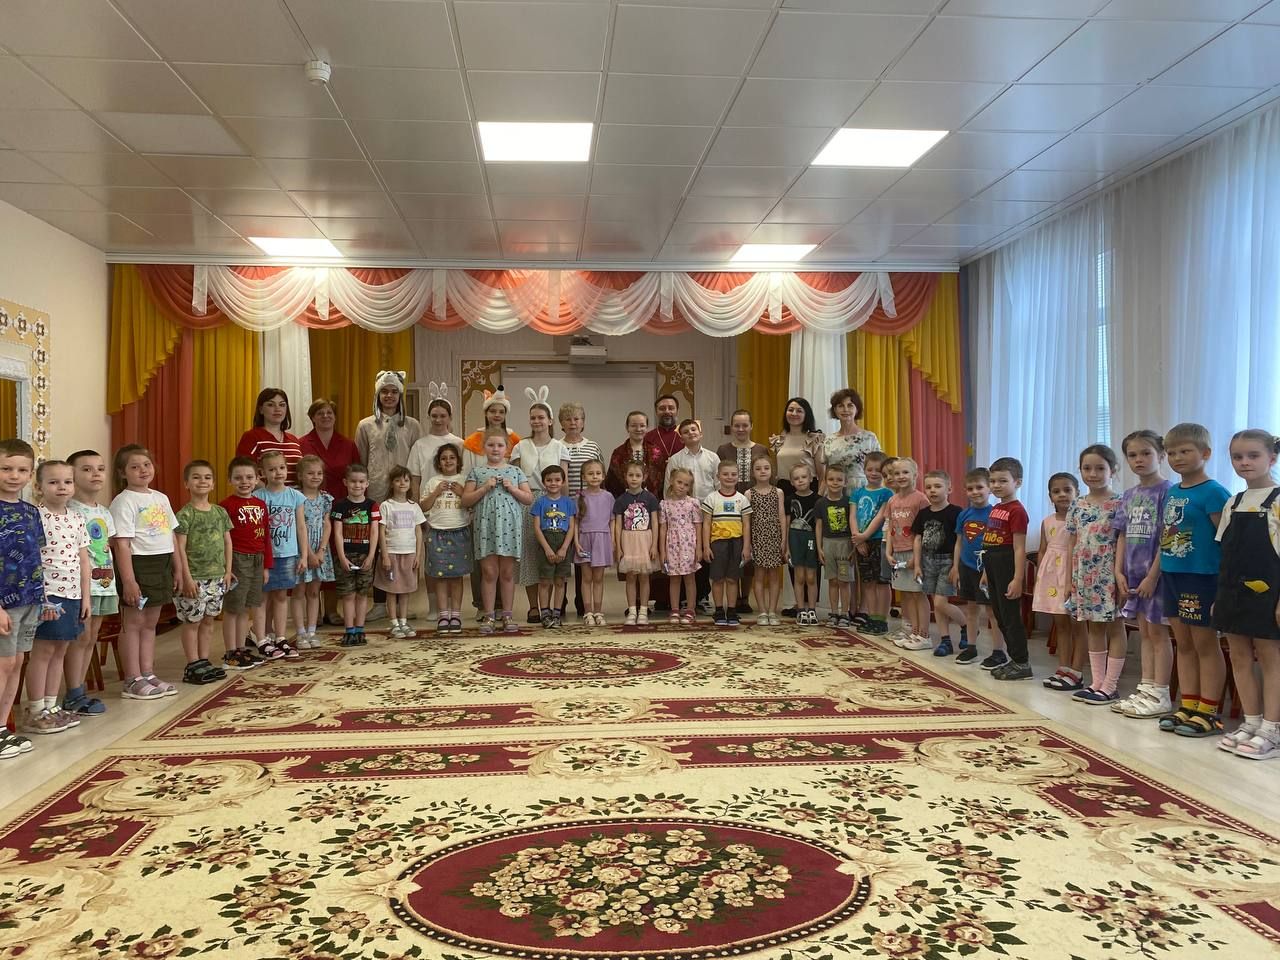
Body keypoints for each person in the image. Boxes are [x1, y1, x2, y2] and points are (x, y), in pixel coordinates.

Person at [1157, 422, 1231, 737]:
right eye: (1172, 452)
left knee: (1205, 644)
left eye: (1185, 451)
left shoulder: (1214, 492)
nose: (1177, 458)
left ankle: (1209, 711)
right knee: (1183, 643)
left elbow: (1226, 539)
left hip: (1201, 578)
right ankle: (1188, 704)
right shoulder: (1173, 491)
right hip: (1173, 575)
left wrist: (1224, 586)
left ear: (1205, 453)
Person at [1213, 429, 1280, 759]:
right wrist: (1219, 597)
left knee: (1270, 658)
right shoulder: (1233, 502)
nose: (1244, 462)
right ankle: (1251, 722)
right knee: (1239, 656)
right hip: (1232, 591)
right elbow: (1226, 553)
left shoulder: (1277, 501)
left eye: (1253, 455)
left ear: (1272, 458)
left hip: (1269, 593)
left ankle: (1272, 729)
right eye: (1237, 457)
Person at [109, 444, 181, 700]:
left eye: (146, 465)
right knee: (133, 623)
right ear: (122, 473)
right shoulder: (124, 501)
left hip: (161, 564)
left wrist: (178, 569)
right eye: (134, 466)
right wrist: (129, 581)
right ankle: (132, 678)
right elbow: (122, 544)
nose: (142, 470)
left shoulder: (161, 498)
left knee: (151, 623)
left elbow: (171, 536)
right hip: (138, 565)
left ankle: (147, 673)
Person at [1111, 429, 1174, 719]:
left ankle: (1161, 692)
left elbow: (1167, 536)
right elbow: (1123, 534)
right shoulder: (1129, 495)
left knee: (1158, 633)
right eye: (1133, 455)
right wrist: (1118, 571)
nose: (1139, 459)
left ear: (1161, 455)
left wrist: (1152, 576)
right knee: (1144, 632)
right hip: (1133, 575)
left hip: (1156, 575)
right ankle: (1146, 688)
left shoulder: (1168, 492)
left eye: (1146, 453)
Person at [25, 460, 89, 736]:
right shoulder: (35, 517)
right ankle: (35, 710)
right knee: (43, 651)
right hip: (48, 595)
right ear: (39, 487)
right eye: (53, 482)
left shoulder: (76, 518)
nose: (62, 487)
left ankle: (51, 707)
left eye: (67, 482)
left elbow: (84, 560)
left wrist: (86, 597)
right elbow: (30, 559)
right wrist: (40, 597)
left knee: (61, 649)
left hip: (72, 593)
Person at [356, 371, 423, 624]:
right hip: (375, 490)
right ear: (377, 394)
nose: (389, 396)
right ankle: (379, 603)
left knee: (403, 546)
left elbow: (416, 463)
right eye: (384, 391)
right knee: (379, 544)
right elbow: (361, 460)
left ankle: (402, 598)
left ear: (400, 395)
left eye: (394, 391)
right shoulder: (365, 425)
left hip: (403, 493)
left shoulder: (412, 425)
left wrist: (414, 494)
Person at [1065, 445, 1127, 705]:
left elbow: (1123, 539)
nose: (1093, 473)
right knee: (1093, 626)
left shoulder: (1120, 502)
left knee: (1115, 625)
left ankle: (1110, 686)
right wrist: (1069, 579)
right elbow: (1072, 541)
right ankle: (1096, 682)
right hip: (1084, 574)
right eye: (1087, 468)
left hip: (1108, 572)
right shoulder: (1077, 504)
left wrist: (1119, 574)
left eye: (1100, 468)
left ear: (1113, 470)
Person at [462, 429, 532, 636]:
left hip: (509, 528)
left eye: (500, 445)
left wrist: (513, 489)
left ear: (507, 449)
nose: (495, 449)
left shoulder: (516, 472)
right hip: (486, 527)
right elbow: (465, 500)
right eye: (491, 445)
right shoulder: (477, 472)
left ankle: (507, 615)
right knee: (489, 572)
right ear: (484, 448)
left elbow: (528, 498)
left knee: (507, 573)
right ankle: (489, 615)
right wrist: (484, 488)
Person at [65, 449, 116, 717]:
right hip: (81, 586)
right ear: (71, 475)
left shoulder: (104, 512)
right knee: (80, 638)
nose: (95, 473)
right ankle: (73, 692)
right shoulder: (69, 510)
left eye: (100, 468)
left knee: (91, 638)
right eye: (86, 469)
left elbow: (106, 548)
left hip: (104, 583)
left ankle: (80, 690)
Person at [0, 438, 43, 760]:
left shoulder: (31, 512)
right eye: (6, 469)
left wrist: (43, 599)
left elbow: (35, 557)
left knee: (16, 663)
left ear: (30, 474)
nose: (14, 476)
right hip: (4, 603)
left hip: (30, 599)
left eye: (21, 470)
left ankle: (3, 727)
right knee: (3, 664)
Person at [512, 389, 569, 623]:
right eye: (533, 418)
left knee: (551, 552)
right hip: (527, 502)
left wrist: (566, 506)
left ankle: (552, 607)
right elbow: (515, 477)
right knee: (530, 555)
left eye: (541, 417)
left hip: (552, 502)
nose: (537, 421)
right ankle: (534, 607)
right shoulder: (520, 446)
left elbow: (564, 479)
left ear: (550, 421)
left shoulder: (559, 447)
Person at [173, 460, 232, 686]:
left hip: (217, 577)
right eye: (196, 477)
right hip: (194, 578)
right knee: (192, 621)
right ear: (186, 483)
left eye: (207, 477)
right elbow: (179, 548)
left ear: (213, 484)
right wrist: (186, 577)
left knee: (208, 620)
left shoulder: (220, 512)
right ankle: (192, 664)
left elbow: (227, 543)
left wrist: (228, 571)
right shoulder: (185, 515)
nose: (202, 481)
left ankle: (204, 660)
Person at [949, 468, 1006, 668]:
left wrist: (989, 571)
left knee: (991, 612)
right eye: (970, 488)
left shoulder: (995, 514)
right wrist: (955, 567)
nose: (975, 492)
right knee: (971, 610)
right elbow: (959, 542)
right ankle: (971, 647)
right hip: (966, 567)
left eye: (979, 487)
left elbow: (997, 544)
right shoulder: (964, 515)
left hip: (987, 570)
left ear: (989, 488)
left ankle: (998, 652)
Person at [220, 456, 273, 668]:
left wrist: (266, 566)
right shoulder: (225, 506)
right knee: (233, 608)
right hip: (237, 559)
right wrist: (226, 567)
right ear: (230, 480)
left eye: (249, 477)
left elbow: (266, 536)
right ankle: (230, 653)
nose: (244, 482)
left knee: (246, 608)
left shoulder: (261, 504)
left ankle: (241, 649)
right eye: (238, 478)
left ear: (257, 478)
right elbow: (221, 541)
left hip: (257, 559)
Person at [1036, 472, 1086, 691]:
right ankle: (1063, 668)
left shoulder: (1081, 519)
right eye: (1056, 491)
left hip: (1073, 575)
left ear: (1077, 493)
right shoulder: (1047, 522)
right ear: (1050, 496)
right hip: (1052, 579)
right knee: (1061, 624)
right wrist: (1040, 577)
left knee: (1077, 625)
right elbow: (1042, 550)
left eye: (1067, 490)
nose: (1062, 495)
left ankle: (1077, 671)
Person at [983, 457, 1032, 681]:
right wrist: (986, 573)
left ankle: (1022, 663)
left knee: (1010, 616)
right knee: (1000, 615)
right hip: (992, 562)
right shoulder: (996, 508)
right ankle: (1014, 659)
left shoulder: (1017, 510)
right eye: (993, 481)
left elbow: (1019, 548)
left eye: (1003, 481)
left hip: (1007, 563)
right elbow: (989, 543)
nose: (996, 485)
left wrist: (1017, 578)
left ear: (1017, 482)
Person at [666, 418, 720, 612]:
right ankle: (683, 600)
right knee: (683, 556)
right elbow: (668, 486)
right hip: (681, 514)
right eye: (686, 431)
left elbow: (718, 485)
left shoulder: (712, 458)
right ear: (681, 437)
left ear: (700, 433)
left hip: (707, 511)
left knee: (703, 553)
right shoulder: (676, 459)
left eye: (693, 429)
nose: (691, 433)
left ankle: (703, 596)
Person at [717, 409, 768, 612]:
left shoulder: (761, 449)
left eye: (744, 425)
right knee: (732, 546)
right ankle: (733, 597)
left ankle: (744, 598)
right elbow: (720, 476)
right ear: (731, 427)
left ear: (751, 426)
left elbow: (767, 477)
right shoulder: (723, 449)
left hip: (755, 504)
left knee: (749, 547)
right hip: (729, 503)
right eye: (737, 425)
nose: (740, 429)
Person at [257, 450, 306, 660]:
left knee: (281, 596)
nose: (278, 472)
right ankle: (262, 638)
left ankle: (280, 637)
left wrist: (304, 555)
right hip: (264, 556)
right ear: (262, 473)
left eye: (282, 468)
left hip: (288, 554)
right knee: (262, 598)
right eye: (272, 469)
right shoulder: (258, 497)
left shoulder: (295, 496)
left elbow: (301, 527)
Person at [912, 470, 966, 657]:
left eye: (937, 486)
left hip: (947, 562)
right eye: (928, 487)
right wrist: (917, 564)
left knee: (940, 602)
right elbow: (918, 539)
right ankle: (945, 640)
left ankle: (966, 626)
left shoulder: (956, 512)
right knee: (937, 604)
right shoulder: (923, 514)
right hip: (928, 562)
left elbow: (960, 541)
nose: (932, 490)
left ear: (949, 489)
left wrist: (956, 566)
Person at [420, 443, 471, 636]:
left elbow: (472, 503)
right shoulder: (432, 482)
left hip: (459, 532)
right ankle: (443, 614)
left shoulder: (464, 480)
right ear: (438, 463)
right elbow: (423, 506)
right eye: (443, 458)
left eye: (452, 457)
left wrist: (462, 493)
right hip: (437, 533)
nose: (448, 461)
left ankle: (455, 614)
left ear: (458, 461)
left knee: (457, 576)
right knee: (440, 576)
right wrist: (436, 492)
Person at [560, 402, 604, 618]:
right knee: (563, 553)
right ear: (561, 423)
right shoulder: (557, 446)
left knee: (582, 556)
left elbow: (600, 474)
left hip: (587, 509)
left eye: (576, 419)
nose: (573, 423)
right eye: (568, 419)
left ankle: (582, 602)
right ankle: (560, 602)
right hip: (564, 506)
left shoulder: (592, 446)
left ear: (583, 422)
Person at [331, 464, 381, 648]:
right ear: (346, 482)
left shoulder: (372, 505)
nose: (357, 485)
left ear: (367, 483)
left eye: (361, 482)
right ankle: (349, 631)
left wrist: (371, 556)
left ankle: (360, 630)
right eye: (353, 481)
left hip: (365, 555)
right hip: (345, 556)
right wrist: (342, 557)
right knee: (348, 594)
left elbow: (374, 531)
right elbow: (337, 533)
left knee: (362, 594)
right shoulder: (339, 506)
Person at [375, 465, 425, 640]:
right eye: (398, 480)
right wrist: (384, 555)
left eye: (406, 480)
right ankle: (394, 623)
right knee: (392, 590)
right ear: (391, 483)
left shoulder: (414, 506)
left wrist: (418, 555)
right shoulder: (386, 506)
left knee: (405, 589)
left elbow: (418, 531)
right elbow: (381, 531)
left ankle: (403, 621)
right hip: (392, 553)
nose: (402, 483)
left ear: (410, 483)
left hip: (409, 553)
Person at [884, 458, 930, 647]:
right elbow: (890, 527)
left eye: (905, 472)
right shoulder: (892, 500)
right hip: (898, 553)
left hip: (915, 552)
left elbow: (926, 530)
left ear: (915, 475)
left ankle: (924, 635)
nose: (901, 476)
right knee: (907, 593)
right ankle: (912, 631)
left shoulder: (920, 499)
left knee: (918, 593)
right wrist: (888, 552)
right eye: (897, 473)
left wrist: (917, 559)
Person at [702, 460, 752, 627]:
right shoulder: (712, 498)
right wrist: (706, 546)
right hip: (717, 543)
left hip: (737, 543)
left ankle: (731, 610)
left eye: (733, 474)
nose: (729, 477)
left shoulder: (742, 499)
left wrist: (746, 546)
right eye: (725, 474)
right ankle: (718, 610)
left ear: (738, 476)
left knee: (732, 579)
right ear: (718, 476)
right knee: (718, 578)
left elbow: (746, 525)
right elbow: (706, 524)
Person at [613, 461, 660, 626]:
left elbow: (655, 523)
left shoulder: (650, 498)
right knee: (631, 577)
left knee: (645, 577)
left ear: (644, 477)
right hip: (628, 541)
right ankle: (632, 610)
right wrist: (618, 547)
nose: (634, 479)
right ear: (625, 477)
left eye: (638, 475)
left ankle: (644, 610)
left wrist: (654, 545)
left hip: (645, 541)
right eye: (630, 475)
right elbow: (618, 525)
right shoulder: (621, 500)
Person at [851, 451, 893, 635]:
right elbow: (852, 516)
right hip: (860, 542)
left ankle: (881, 619)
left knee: (882, 582)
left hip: (878, 541)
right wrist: (857, 538)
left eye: (878, 470)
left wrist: (865, 536)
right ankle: (872, 616)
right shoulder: (857, 492)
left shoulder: (887, 493)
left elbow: (880, 517)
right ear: (864, 469)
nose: (874, 473)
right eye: (870, 469)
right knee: (867, 581)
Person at [531, 465, 577, 629]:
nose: (553, 483)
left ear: (563, 482)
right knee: (545, 581)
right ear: (544, 482)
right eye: (549, 480)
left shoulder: (568, 502)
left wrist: (564, 548)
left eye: (557, 480)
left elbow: (571, 527)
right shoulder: (540, 502)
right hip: (546, 542)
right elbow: (537, 528)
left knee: (560, 581)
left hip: (563, 542)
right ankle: (545, 613)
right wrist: (547, 549)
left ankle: (557, 614)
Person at [294, 454, 333, 649]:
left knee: (314, 591)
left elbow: (327, 524)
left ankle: (311, 631)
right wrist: (308, 553)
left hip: (320, 549)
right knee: (299, 591)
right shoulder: (296, 497)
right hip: (301, 548)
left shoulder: (325, 498)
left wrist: (321, 550)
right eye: (310, 473)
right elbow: (298, 526)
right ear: (300, 476)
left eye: (319, 473)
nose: (315, 477)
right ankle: (300, 632)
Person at [574, 459, 615, 626]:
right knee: (586, 577)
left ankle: (598, 611)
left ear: (603, 476)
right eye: (590, 473)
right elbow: (575, 522)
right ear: (584, 477)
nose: (595, 476)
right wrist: (576, 542)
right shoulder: (579, 497)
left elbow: (612, 520)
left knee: (598, 578)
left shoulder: (608, 497)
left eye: (598, 473)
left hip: (602, 540)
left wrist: (612, 540)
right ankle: (588, 612)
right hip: (584, 540)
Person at [659, 467, 702, 624]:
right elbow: (663, 529)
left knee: (690, 578)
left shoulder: (693, 503)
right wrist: (662, 551)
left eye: (686, 484)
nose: (682, 486)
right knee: (674, 579)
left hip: (689, 545)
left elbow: (698, 526)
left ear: (690, 487)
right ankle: (675, 609)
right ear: (671, 481)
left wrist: (699, 548)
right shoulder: (664, 504)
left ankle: (690, 609)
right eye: (679, 482)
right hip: (672, 545)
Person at [746, 455, 786, 626]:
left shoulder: (778, 492)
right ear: (752, 473)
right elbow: (747, 521)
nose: (762, 471)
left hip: (774, 537)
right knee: (759, 575)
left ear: (772, 471)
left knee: (774, 576)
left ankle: (772, 611)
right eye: (758, 468)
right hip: (757, 538)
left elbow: (782, 516)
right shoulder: (749, 493)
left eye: (766, 468)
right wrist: (748, 543)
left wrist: (784, 539)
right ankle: (762, 611)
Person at [815, 463, 856, 627]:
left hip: (845, 544)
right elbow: (818, 526)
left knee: (844, 581)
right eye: (831, 479)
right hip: (828, 544)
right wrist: (819, 548)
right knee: (832, 580)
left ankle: (844, 613)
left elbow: (854, 524)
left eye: (839, 479)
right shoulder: (820, 503)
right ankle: (833, 613)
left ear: (845, 482)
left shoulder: (849, 502)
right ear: (825, 481)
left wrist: (853, 547)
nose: (835, 482)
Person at [237, 387, 304, 486]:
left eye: (282, 405)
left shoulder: (294, 440)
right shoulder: (251, 437)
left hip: (295, 495)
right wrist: (272, 493)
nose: (277, 409)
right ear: (261, 409)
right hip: (264, 495)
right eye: (270, 405)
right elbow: (243, 471)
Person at [407, 388, 464, 501]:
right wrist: (416, 506)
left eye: (443, 416)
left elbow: (464, 474)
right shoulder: (419, 445)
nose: (438, 420)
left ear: (450, 417)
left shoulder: (459, 443)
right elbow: (415, 480)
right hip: (427, 502)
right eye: (434, 416)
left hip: (454, 503)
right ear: (428, 417)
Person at [300, 398, 360, 502]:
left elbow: (359, 475)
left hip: (343, 501)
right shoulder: (301, 444)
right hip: (312, 502)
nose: (325, 416)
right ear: (313, 418)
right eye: (320, 413)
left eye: (329, 412)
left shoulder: (349, 445)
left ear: (335, 417)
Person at [822, 388, 880, 492]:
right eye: (841, 406)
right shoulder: (829, 440)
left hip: (863, 492)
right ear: (835, 410)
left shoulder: (869, 438)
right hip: (836, 493)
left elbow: (880, 469)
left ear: (857, 409)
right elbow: (825, 474)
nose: (845, 409)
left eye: (850, 405)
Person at [785, 463, 821, 625]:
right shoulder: (789, 500)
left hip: (811, 539)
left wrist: (820, 547)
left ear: (811, 479)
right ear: (792, 482)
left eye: (804, 477)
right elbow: (787, 524)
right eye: (796, 478)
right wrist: (786, 547)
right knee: (799, 576)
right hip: (795, 539)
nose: (800, 480)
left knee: (811, 577)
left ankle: (812, 610)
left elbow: (819, 525)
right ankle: (801, 610)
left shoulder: (818, 500)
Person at [770, 397, 825, 497]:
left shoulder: (813, 439)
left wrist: (818, 498)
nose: (794, 413)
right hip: (783, 490)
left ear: (806, 415)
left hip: (808, 490)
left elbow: (822, 475)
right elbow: (775, 473)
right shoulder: (779, 440)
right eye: (790, 410)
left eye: (799, 411)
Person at [608, 409, 662, 498]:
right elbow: (612, 482)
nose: (638, 429)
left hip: (651, 502)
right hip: (624, 501)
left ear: (647, 428)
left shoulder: (656, 452)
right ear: (627, 427)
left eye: (642, 426)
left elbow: (660, 482)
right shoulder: (618, 453)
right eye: (633, 426)